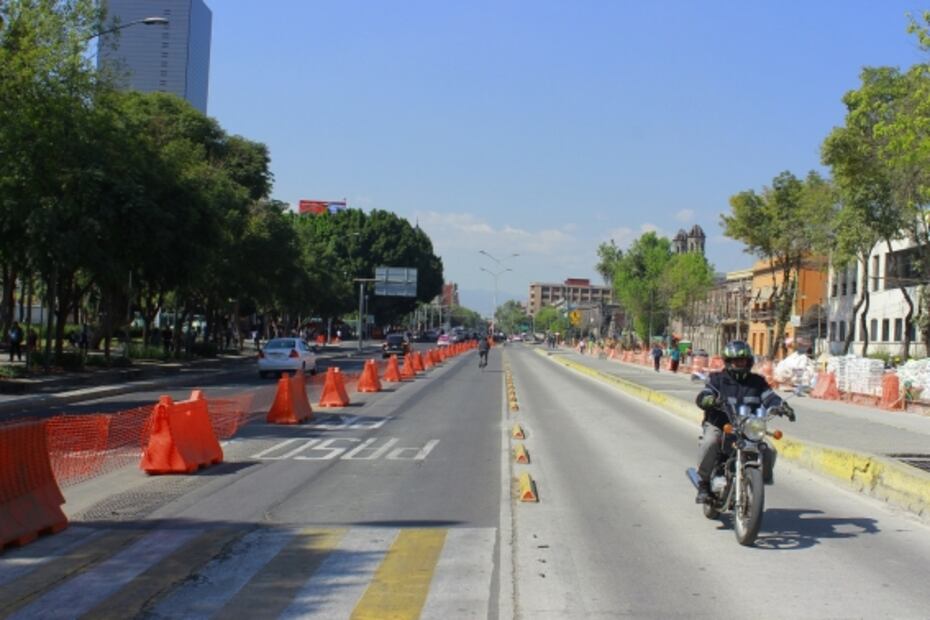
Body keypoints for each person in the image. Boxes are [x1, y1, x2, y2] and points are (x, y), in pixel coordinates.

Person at [693, 340, 795, 503]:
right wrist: (708, 400)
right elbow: (705, 393)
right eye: (736, 361)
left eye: (744, 361)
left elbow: (769, 397)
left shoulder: (757, 382)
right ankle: (703, 484)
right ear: (728, 362)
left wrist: (781, 406)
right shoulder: (717, 379)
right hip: (721, 424)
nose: (741, 364)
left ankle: (759, 481)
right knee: (711, 442)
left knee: (769, 449)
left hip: (748, 427)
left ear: (749, 361)